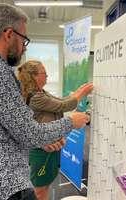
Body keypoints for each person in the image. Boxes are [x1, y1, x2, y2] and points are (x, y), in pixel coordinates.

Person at [0, 3, 89, 200]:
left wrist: (40, 141)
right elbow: (29, 133)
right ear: (8, 34)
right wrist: (71, 122)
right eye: (24, 39)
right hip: (4, 186)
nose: (24, 48)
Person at [17, 60, 93, 200]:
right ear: (34, 76)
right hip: (41, 149)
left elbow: (60, 101)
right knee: (39, 190)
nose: (47, 76)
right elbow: (64, 105)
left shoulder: (41, 92)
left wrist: (77, 92)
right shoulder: (35, 96)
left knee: (46, 183)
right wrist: (83, 92)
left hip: (50, 146)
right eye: (44, 73)